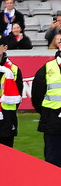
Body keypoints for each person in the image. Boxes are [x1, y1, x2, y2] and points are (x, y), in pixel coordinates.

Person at [30, 33, 61, 167]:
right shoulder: (47, 68)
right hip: (53, 122)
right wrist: (48, 113)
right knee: (52, 161)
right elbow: (37, 95)